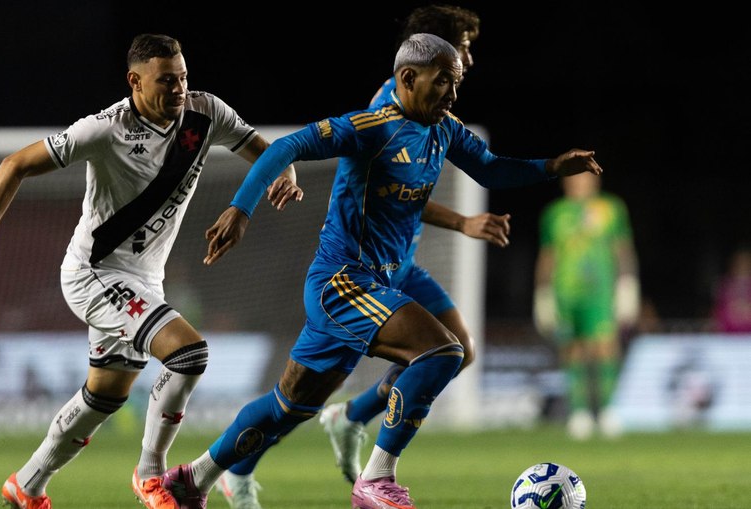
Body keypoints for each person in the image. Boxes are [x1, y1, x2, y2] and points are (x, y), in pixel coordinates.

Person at [158, 33, 602, 509]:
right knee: (443, 351)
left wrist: (553, 165)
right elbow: (285, 147)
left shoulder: (444, 128)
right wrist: (241, 209)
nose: (452, 94)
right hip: (341, 282)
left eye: (455, 84)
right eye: (443, 82)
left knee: (288, 406)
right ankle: (376, 480)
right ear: (408, 78)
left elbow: (492, 169)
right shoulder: (373, 125)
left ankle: (190, 480)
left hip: (372, 283)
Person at [0, 34, 301, 509]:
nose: (179, 89)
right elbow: (15, 163)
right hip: (93, 272)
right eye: (166, 80)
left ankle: (27, 484)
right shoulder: (105, 128)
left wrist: (286, 173)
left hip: (143, 280)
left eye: (183, 77)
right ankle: (150, 475)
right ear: (134, 82)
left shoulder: (206, 113)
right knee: (189, 355)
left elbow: (270, 153)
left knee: (104, 395)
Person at [214, 6, 511, 508]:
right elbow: (381, 182)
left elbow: (411, 190)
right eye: (464, 44)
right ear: (433, 48)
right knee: (301, 394)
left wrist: (461, 222)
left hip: (400, 265)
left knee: (456, 348)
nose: (469, 57)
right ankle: (238, 465)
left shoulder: (436, 109)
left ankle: (351, 418)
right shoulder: (391, 106)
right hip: (360, 267)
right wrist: (242, 206)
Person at [533, 171, 639, 440]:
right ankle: (579, 412)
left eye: (585, 177)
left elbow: (622, 248)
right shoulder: (554, 213)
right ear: (566, 181)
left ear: (595, 180)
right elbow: (548, 254)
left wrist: (628, 283)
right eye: (575, 177)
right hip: (566, 292)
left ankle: (606, 410)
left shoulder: (611, 208)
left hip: (600, 290)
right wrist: (542, 292)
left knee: (605, 348)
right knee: (573, 350)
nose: (580, 183)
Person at [711, 245, 751, 333]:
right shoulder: (724, 285)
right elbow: (719, 310)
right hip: (729, 335)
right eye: (739, 262)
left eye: (746, 262)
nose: (743, 265)